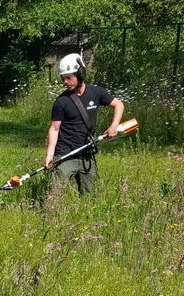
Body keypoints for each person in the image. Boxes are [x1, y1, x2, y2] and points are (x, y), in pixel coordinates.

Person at [45, 54, 125, 194]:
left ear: (80, 74)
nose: (66, 81)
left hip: (86, 153)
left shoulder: (96, 92)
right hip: (65, 154)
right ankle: (52, 215)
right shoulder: (61, 101)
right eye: (63, 78)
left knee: (89, 196)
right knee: (55, 193)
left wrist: (114, 125)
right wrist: (49, 155)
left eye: (69, 77)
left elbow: (119, 104)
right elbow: (54, 128)